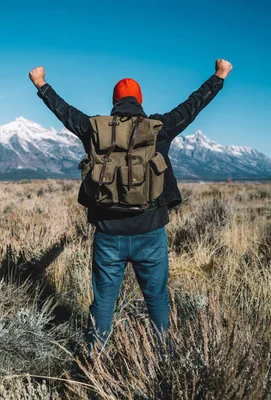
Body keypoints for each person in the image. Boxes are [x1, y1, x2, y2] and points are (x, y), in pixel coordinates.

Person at [29, 59, 232, 346]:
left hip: (108, 234)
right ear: (140, 101)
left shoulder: (94, 129)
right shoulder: (158, 127)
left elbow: (65, 112)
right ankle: (164, 360)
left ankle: (94, 363)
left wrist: (40, 83)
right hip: (150, 232)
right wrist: (219, 76)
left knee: (102, 304)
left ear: (114, 102)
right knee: (157, 301)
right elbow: (192, 106)